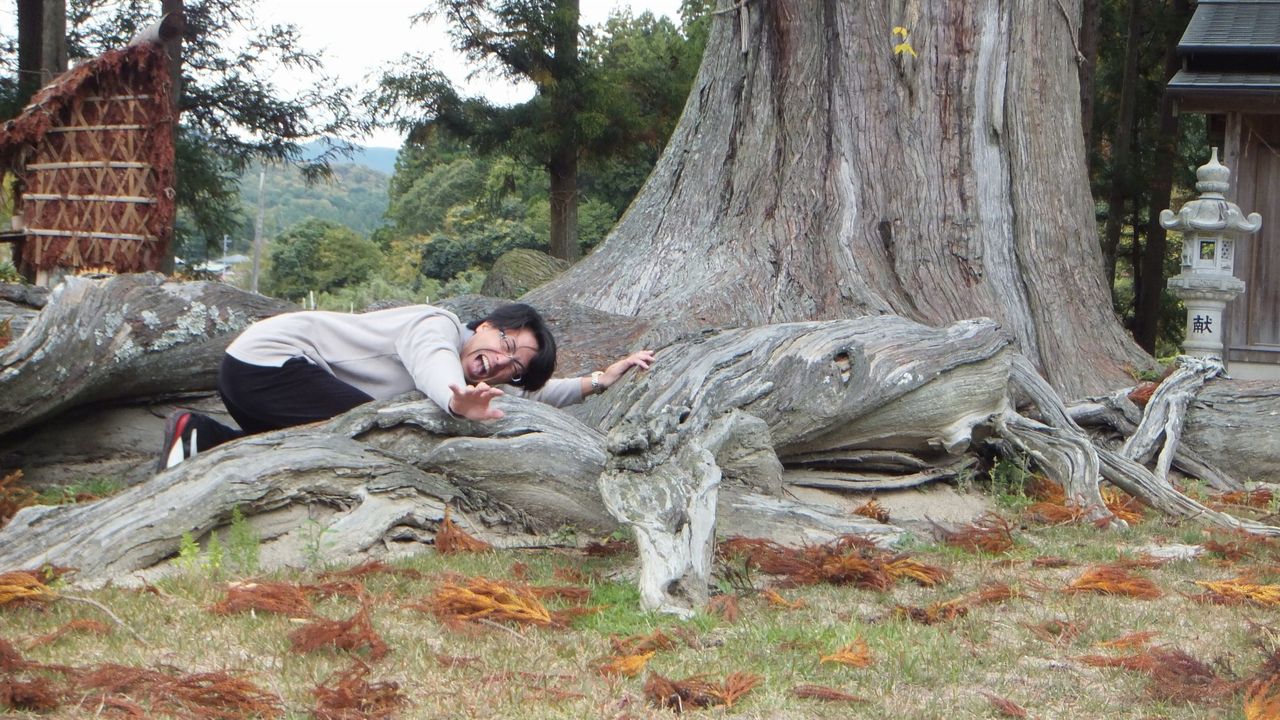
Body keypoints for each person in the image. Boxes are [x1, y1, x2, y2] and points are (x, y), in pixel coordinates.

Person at [159, 302, 654, 470]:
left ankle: (201, 438)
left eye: (514, 367)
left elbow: (534, 396)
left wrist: (598, 381)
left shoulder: (477, 375)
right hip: (270, 363)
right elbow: (432, 365)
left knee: (325, 439)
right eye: (506, 342)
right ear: (484, 325)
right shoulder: (437, 327)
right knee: (373, 437)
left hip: (259, 376)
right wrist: (456, 403)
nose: (502, 363)